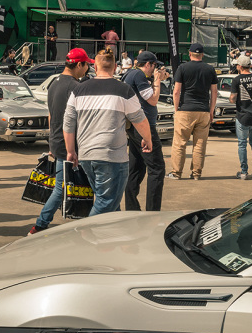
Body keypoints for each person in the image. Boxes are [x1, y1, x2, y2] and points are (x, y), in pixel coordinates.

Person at [63, 49, 151, 216]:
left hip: (87, 156)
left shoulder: (79, 90)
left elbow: (68, 124)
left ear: (95, 67)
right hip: (112, 157)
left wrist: (70, 151)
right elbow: (140, 119)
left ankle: (109, 240)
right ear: (115, 67)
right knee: (107, 202)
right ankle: (85, 235)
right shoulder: (123, 90)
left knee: (111, 204)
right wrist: (148, 139)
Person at [28, 49, 93, 234]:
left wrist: (51, 142)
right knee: (68, 188)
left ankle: (41, 224)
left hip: (57, 141)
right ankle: (40, 224)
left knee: (64, 187)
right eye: (86, 65)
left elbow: (51, 115)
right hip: (70, 144)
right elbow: (78, 120)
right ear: (79, 64)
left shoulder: (54, 83)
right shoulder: (75, 87)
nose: (87, 69)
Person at [123, 51, 168, 210]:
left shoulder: (131, 74)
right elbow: (153, 100)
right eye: (154, 65)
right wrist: (156, 80)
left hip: (133, 127)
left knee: (136, 169)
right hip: (144, 127)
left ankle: (132, 208)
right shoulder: (139, 76)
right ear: (148, 64)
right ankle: (153, 212)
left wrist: (158, 79)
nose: (155, 68)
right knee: (157, 169)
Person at [167, 43, 217, 180]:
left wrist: (176, 109)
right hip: (203, 111)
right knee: (200, 145)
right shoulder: (210, 69)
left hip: (185, 110)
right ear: (202, 55)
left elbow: (176, 91)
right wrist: (211, 110)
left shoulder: (182, 68)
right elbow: (214, 92)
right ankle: (196, 173)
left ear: (189, 54)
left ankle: (176, 173)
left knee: (180, 143)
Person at [229, 55, 252, 179]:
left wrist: (234, 98)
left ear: (239, 66)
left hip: (243, 116)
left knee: (242, 144)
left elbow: (233, 99)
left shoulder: (237, 80)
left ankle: (244, 172)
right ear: (249, 66)